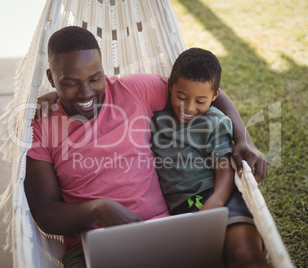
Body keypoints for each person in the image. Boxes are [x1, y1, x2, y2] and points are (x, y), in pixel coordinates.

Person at [25, 26, 267, 267]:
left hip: (163, 229)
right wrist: (97, 209)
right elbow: (45, 212)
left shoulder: (135, 90)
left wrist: (244, 139)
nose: (86, 91)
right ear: (50, 78)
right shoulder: (41, 126)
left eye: (95, 78)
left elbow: (205, 90)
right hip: (93, 244)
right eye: (70, 83)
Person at [151, 48, 268, 267]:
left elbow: (224, 167)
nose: (188, 107)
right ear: (170, 86)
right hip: (183, 208)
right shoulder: (157, 119)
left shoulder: (213, 122)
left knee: (245, 256)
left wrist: (215, 202)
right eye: (181, 97)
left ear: (215, 96)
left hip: (220, 196)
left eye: (200, 101)